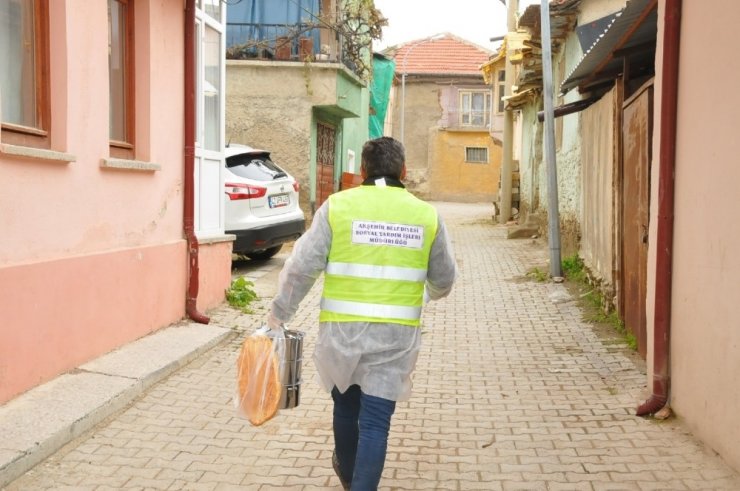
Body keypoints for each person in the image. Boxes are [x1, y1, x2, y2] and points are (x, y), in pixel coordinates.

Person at [266, 136, 457, 490]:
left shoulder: (337, 207)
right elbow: (445, 278)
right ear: (404, 171)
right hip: (395, 337)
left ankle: (350, 476)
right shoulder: (426, 215)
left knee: (345, 407)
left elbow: (301, 268)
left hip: (342, 333)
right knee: (375, 422)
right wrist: (425, 296)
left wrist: (279, 313)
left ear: (363, 171)